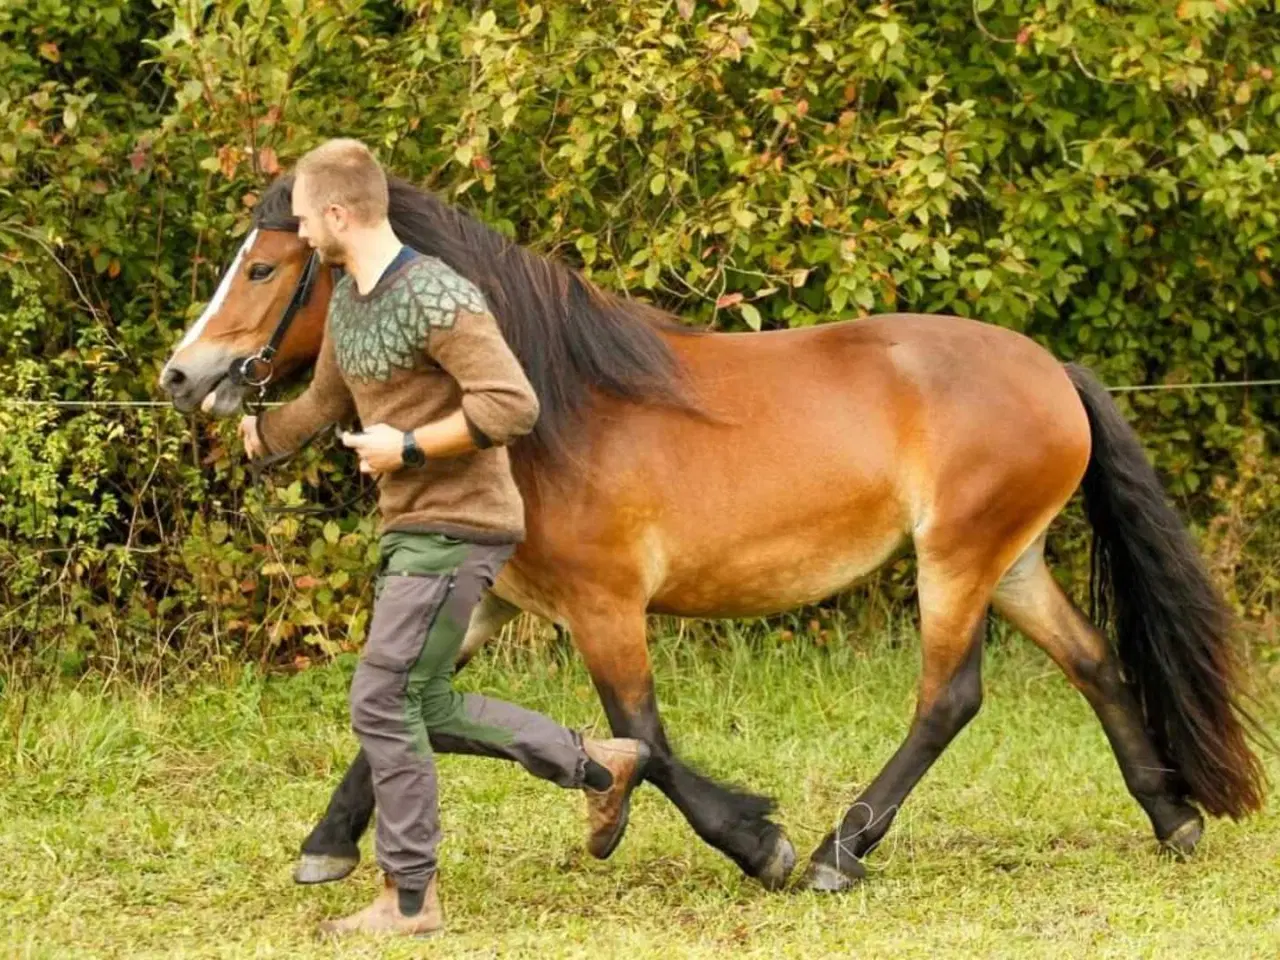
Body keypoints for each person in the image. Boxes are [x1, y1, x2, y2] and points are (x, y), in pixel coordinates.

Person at [239, 138, 649, 938]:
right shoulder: (353, 302)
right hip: (411, 523)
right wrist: (264, 435)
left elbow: (511, 404)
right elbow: (325, 400)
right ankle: (596, 763)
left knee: (380, 700)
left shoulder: (436, 295)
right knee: (422, 701)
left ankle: (410, 898)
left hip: (462, 523)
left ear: (337, 213)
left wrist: (410, 446)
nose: (301, 234)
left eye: (305, 219)